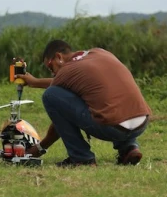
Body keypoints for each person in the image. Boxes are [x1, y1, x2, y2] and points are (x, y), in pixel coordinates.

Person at [20, 40, 151, 167]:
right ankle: (129, 148)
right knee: (109, 99)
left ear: (59, 57)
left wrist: (39, 148)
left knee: (51, 94)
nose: (53, 73)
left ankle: (81, 157)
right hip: (141, 123)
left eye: (50, 67)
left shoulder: (68, 70)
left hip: (114, 128)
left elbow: (58, 104)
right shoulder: (100, 53)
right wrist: (35, 82)